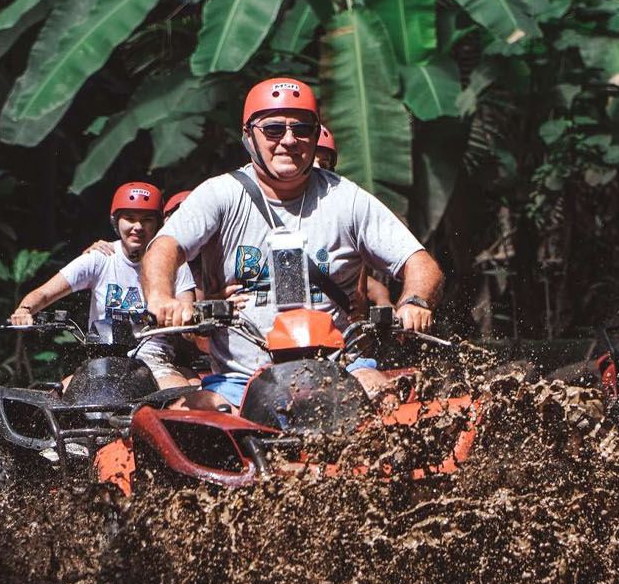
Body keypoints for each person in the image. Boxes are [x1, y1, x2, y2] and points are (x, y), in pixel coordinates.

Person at [141, 77, 444, 411]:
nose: (288, 140)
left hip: (340, 369)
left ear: (315, 136)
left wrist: (415, 301)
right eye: (273, 129)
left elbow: (419, 263)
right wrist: (161, 297)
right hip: (240, 380)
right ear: (248, 135)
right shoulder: (220, 194)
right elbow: (165, 246)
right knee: (188, 416)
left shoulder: (347, 199)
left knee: (383, 398)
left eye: (301, 129)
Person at [8, 182, 198, 389]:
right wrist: (25, 310)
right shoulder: (100, 257)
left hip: (153, 359)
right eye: (130, 219)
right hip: (101, 360)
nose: (138, 227)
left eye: (146, 220)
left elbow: (187, 314)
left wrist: (185, 320)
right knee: (55, 399)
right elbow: (45, 293)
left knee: (180, 401)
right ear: (116, 222)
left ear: (158, 224)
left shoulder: (175, 263)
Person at [313, 124, 392, 315]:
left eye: (323, 165)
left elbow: (369, 284)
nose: (317, 171)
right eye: (311, 163)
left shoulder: (344, 212)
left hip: (344, 328)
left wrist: (383, 302)